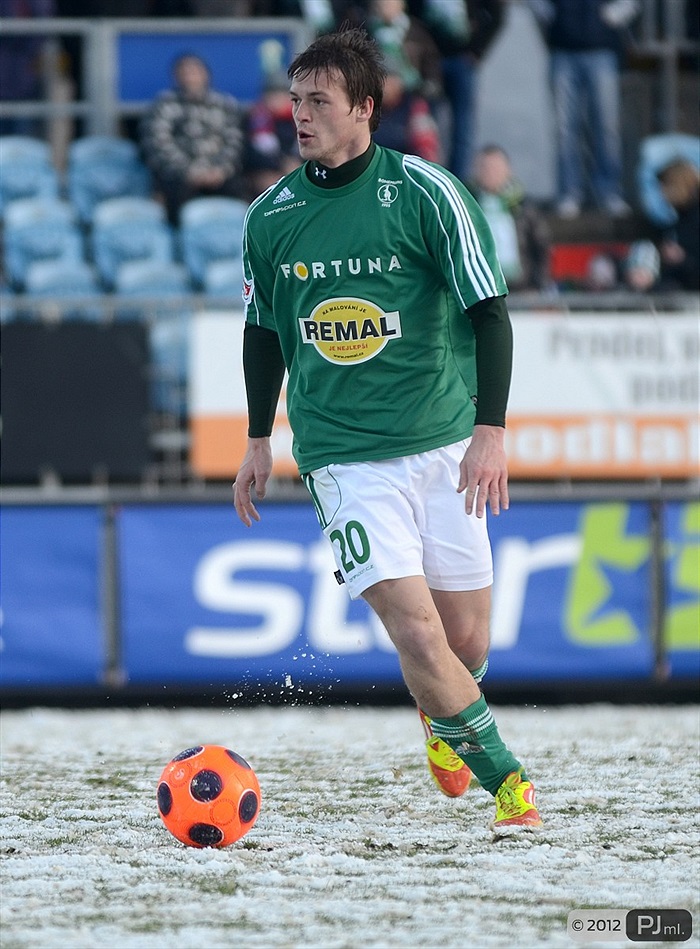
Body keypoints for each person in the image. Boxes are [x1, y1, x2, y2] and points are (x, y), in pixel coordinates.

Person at [233, 26, 542, 835]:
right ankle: (508, 780)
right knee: (414, 629)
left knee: (466, 640)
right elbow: (263, 331)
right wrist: (259, 437)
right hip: (343, 458)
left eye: (319, 102)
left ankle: (444, 718)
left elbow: (491, 313)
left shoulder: (428, 194)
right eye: (294, 101)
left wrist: (491, 431)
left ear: (366, 109)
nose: (299, 116)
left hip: (445, 440)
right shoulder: (271, 217)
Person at [527, 0, 638, 219]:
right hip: (562, 50)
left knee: (606, 127)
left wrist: (615, 14)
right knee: (564, 129)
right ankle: (569, 192)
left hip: (602, 49)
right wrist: (552, 15)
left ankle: (608, 191)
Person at [140, 53, 247, 225]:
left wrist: (220, 170)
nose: (190, 77)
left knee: (244, 191)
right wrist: (190, 171)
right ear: (176, 76)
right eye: (184, 72)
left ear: (206, 74)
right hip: (180, 175)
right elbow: (158, 145)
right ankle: (178, 242)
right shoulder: (163, 104)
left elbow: (235, 141)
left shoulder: (224, 104)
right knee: (173, 192)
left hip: (218, 173)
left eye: (194, 71)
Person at [408, 0, 504, 182]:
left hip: (462, 59)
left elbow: (497, 14)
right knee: (427, 128)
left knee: (463, 128)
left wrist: (478, 50)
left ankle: (458, 183)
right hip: (428, 61)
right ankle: (427, 182)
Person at [469, 144, 551, 292]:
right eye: (485, 168)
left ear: (508, 170)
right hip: (481, 291)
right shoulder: (467, 206)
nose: (490, 173)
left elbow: (542, 250)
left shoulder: (525, 208)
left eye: (496, 168)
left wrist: (538, 288)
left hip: (522, 288)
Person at [637, 134, 700, 292]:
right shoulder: (672, 217)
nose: (661, 193)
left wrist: (684, 259)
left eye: (665, 186)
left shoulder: (693, 216)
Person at [372, 56, 443, 162]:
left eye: (387, 79)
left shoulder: (415, 107)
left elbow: (426, 149)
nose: (383, 86)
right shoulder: (369, 107)